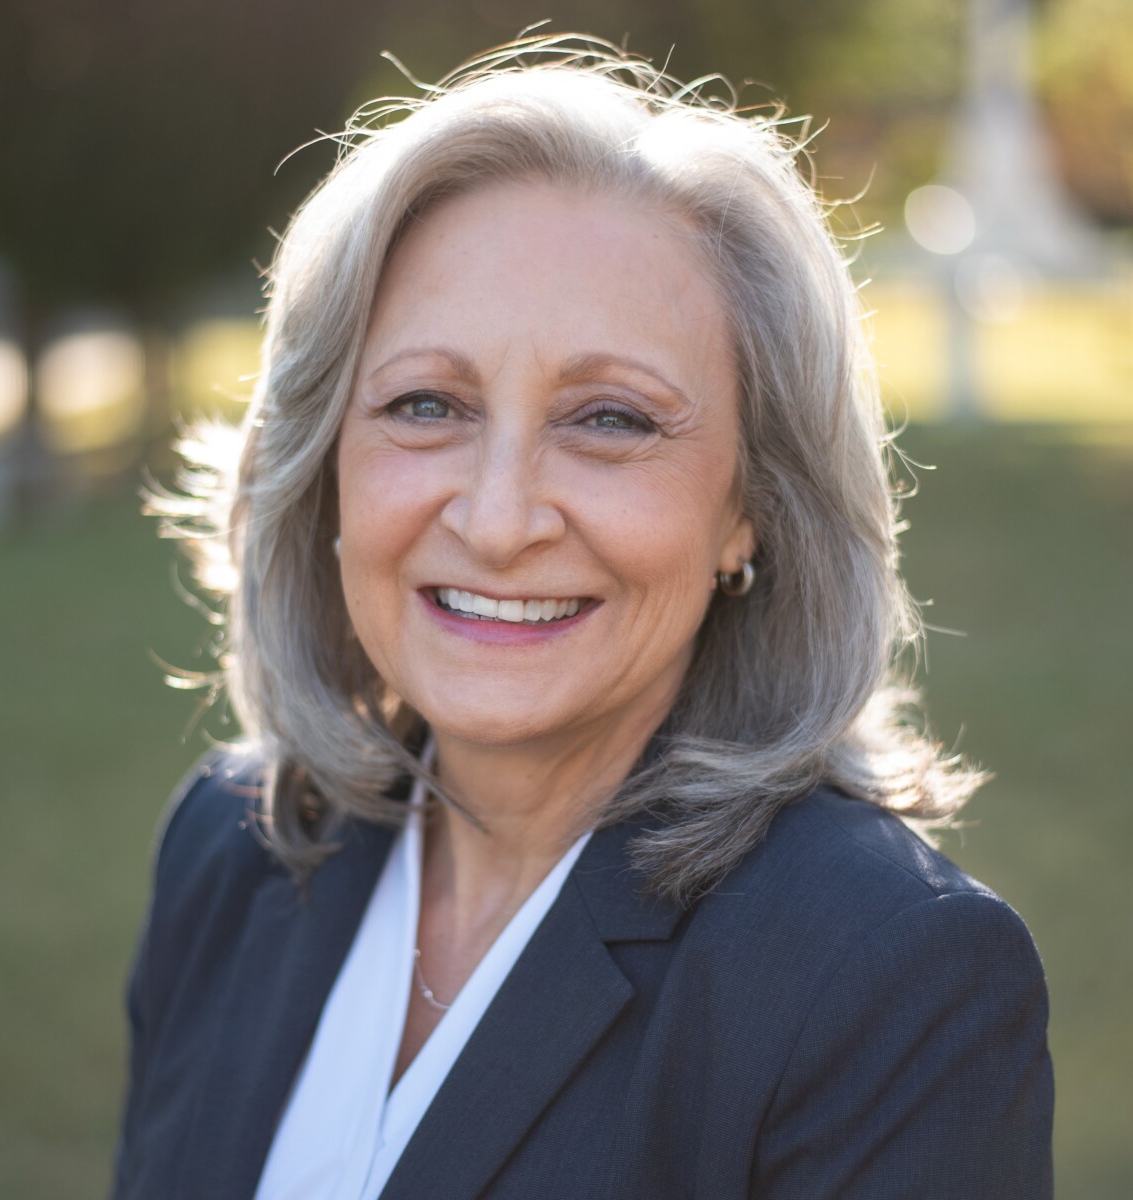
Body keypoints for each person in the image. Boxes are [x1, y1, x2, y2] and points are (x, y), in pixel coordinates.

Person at [115, 34, 1053, 1200]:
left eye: (609, 420)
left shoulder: (885, 981)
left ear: (749, 506)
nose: (500, 521)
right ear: (326, 469)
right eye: (424, 404)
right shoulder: (229, 846)